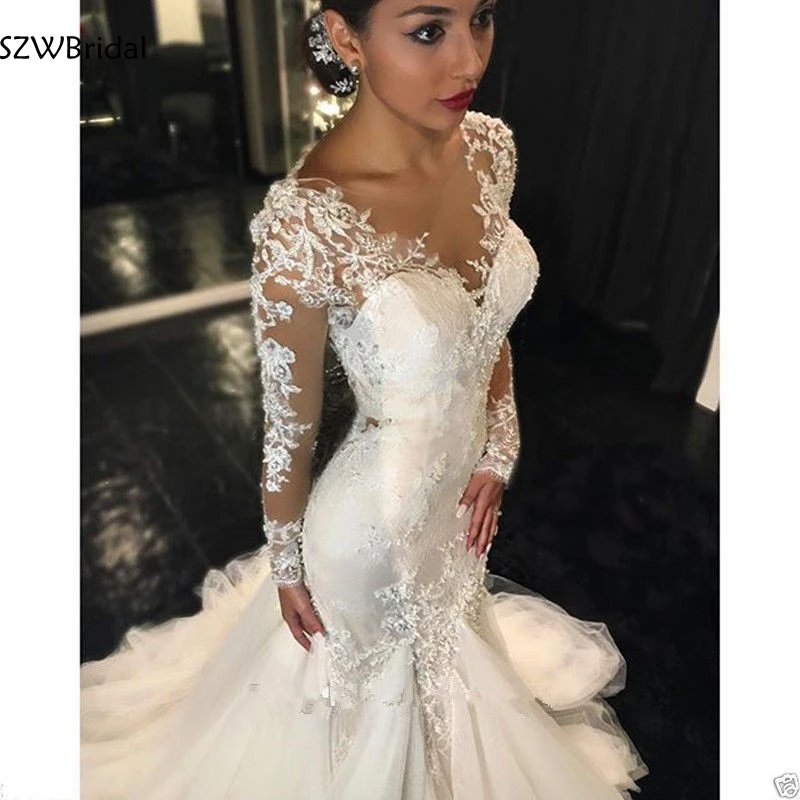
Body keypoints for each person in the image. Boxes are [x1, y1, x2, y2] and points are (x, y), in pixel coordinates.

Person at [80, 1, 650, 797]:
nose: (469, 62)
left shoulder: (490, 148)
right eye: (428, 31)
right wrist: (288, 568)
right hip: (370, 534)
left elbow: (487, 324)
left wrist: (500, 447)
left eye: (482, 18)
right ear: (347, 37)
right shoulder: (307, 222)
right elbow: (290, 429)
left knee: (445, 684)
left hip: (453, 517)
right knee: (363, 725)